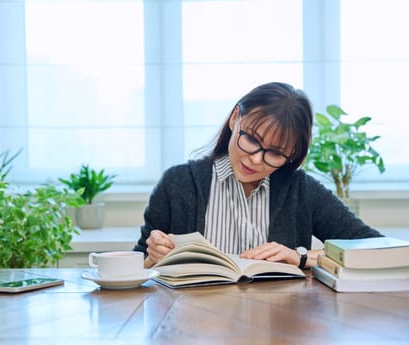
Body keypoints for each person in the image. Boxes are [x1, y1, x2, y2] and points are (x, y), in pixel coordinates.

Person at [134, 82, 382, 269]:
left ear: (292, 155)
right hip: (196, 329)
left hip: (278, 327)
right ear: (235, 119)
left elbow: (377, 247)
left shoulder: (300, 190)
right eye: (252, 139)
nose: (255, 159)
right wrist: (152, 257)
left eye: (275, 153)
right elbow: (137, 264)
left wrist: (302, 257)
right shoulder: (177, 183)